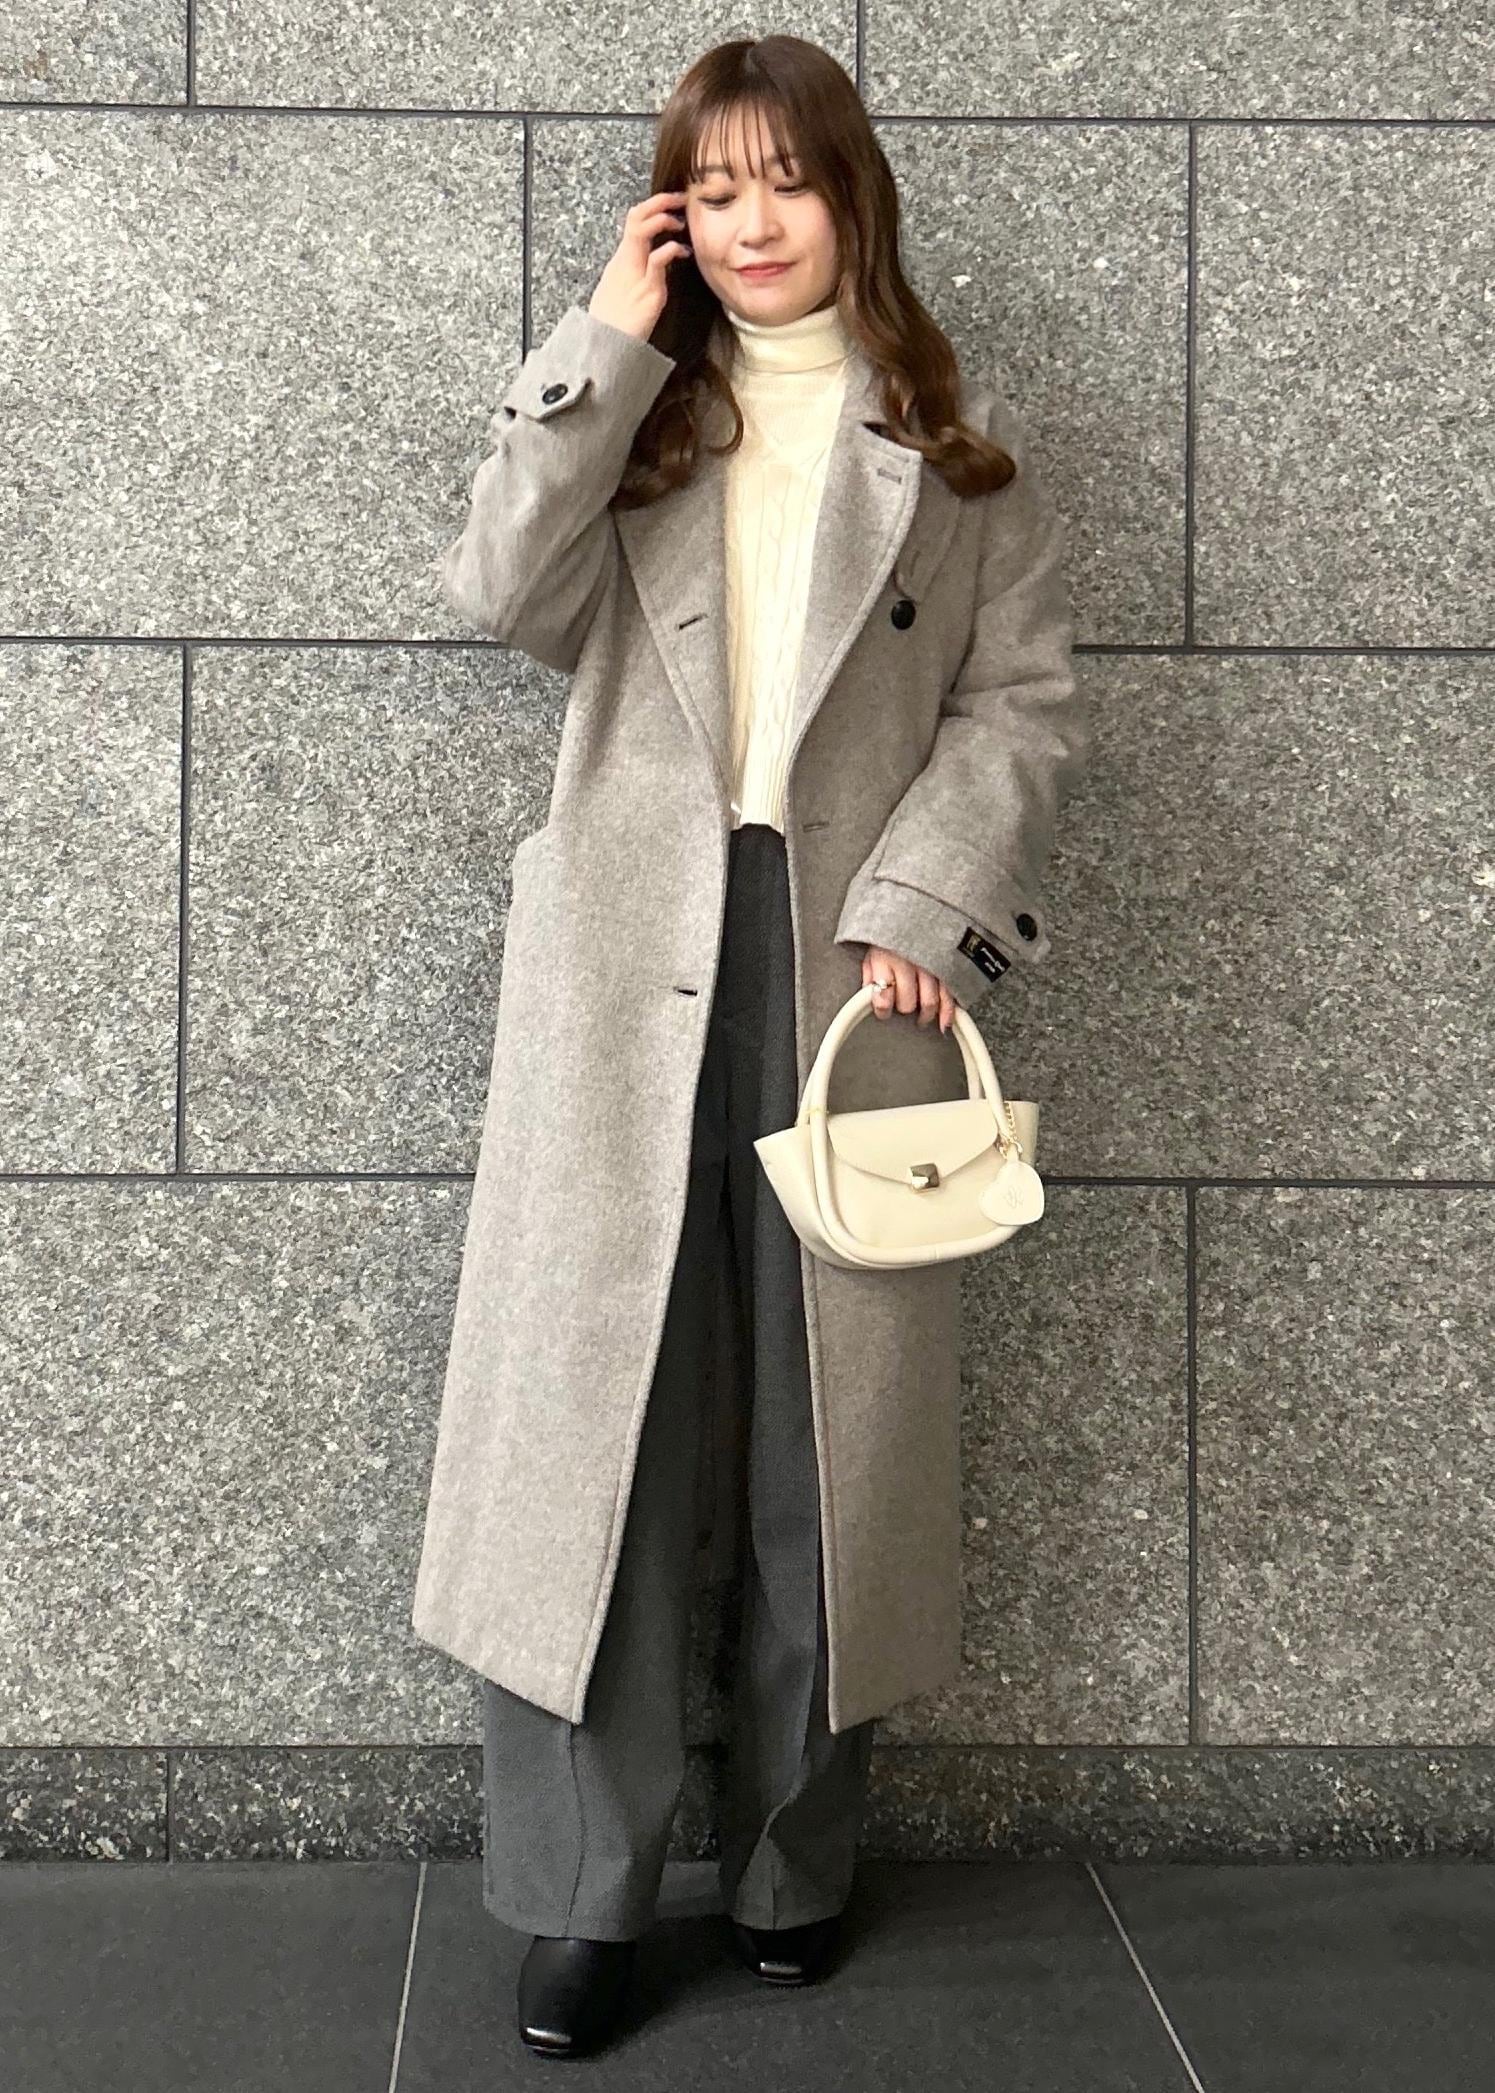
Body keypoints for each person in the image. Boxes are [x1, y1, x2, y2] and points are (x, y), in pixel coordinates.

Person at [425, 33, 1088, 2060]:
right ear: (672, 220)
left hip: (844, 971)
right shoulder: (637, 420)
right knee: (600, 1445)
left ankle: (799, 1860)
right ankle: (582, 1893)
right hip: (622, 972)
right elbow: (491, 588)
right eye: (709, 190)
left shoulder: (951, 455)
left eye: (783, 179)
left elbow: (1020, 705)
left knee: (826, 1444)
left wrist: (923, 900)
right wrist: (601, 347)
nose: (749, 222)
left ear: (847, 194)